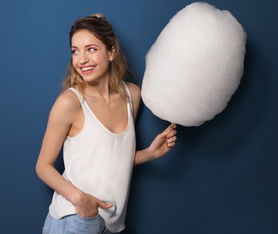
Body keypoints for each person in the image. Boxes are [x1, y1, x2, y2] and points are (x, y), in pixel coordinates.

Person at [36, 13, 177, 234]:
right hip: (76, 218)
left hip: (112, 225)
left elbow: (109, 160)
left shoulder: (133, 95)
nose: (81, 60)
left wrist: (149, 153)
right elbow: (43, 166)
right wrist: (80, 200)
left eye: (91, 49)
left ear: (111, 52)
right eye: (75, 51)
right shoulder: (70, 103)